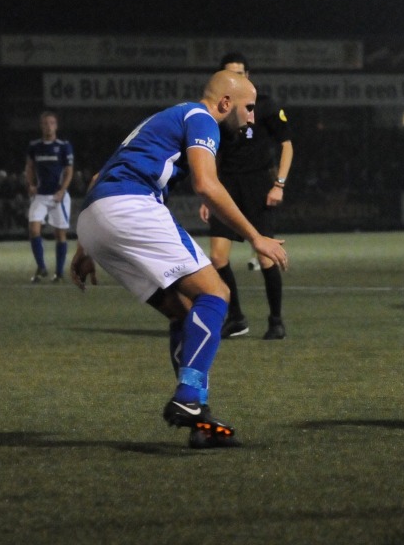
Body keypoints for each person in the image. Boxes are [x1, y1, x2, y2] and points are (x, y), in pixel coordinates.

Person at [70, 71, 288, 448]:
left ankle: (200, 422)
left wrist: (84, 249)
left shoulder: (163, 119)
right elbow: (206, 184)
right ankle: (189, 398)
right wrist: (256, 237)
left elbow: (95, 179)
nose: (253, 118)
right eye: (248, 108)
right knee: (216, 295)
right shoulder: (202, 119)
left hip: (94, 218)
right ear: (225, 104)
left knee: (183, 312)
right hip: (131, 206)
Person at [200, 52, 294, 340]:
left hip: (258, 185)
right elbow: (211, 153)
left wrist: (278, 184)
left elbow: (287, 145)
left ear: (249, 75)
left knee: (265, 257)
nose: (237, 78)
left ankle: (276, 320)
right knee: (217, 257)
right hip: (226, 186)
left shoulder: (264, 106)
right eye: (231, 73)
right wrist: (208, 195)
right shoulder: (218, 111)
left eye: (241, 73)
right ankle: (237, 318)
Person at [25, 110, 74, 282]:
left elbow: (69, 170)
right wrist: (31, 185)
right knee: (33, 229)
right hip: (40, 195)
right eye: (45, 123)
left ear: (56, 126)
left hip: (57, 196)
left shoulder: (63, 146)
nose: (48, 126)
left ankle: (59, 273)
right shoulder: (35, 146)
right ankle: (41, 267)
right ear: (41, 126)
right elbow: (29, 167)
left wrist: (62, 190)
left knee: (60, 235)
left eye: (51, 123)